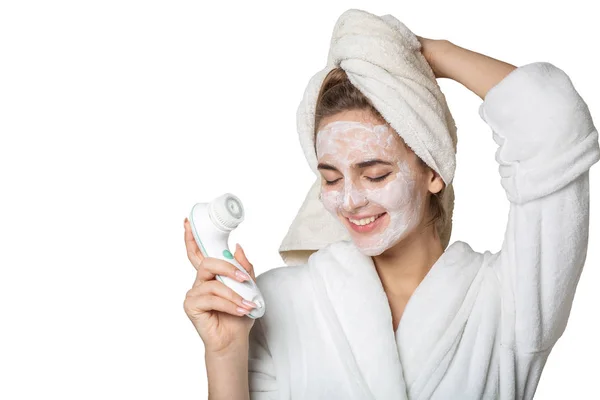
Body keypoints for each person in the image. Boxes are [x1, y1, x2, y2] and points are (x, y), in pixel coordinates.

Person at [183, 11, 599, 400]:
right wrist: (225, 352)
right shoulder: (280, 302)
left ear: (433, 171)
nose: (348, 200)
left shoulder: (509, 300)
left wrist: (425, 53)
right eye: (330, 178)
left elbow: (555, 123)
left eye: (376, 174)